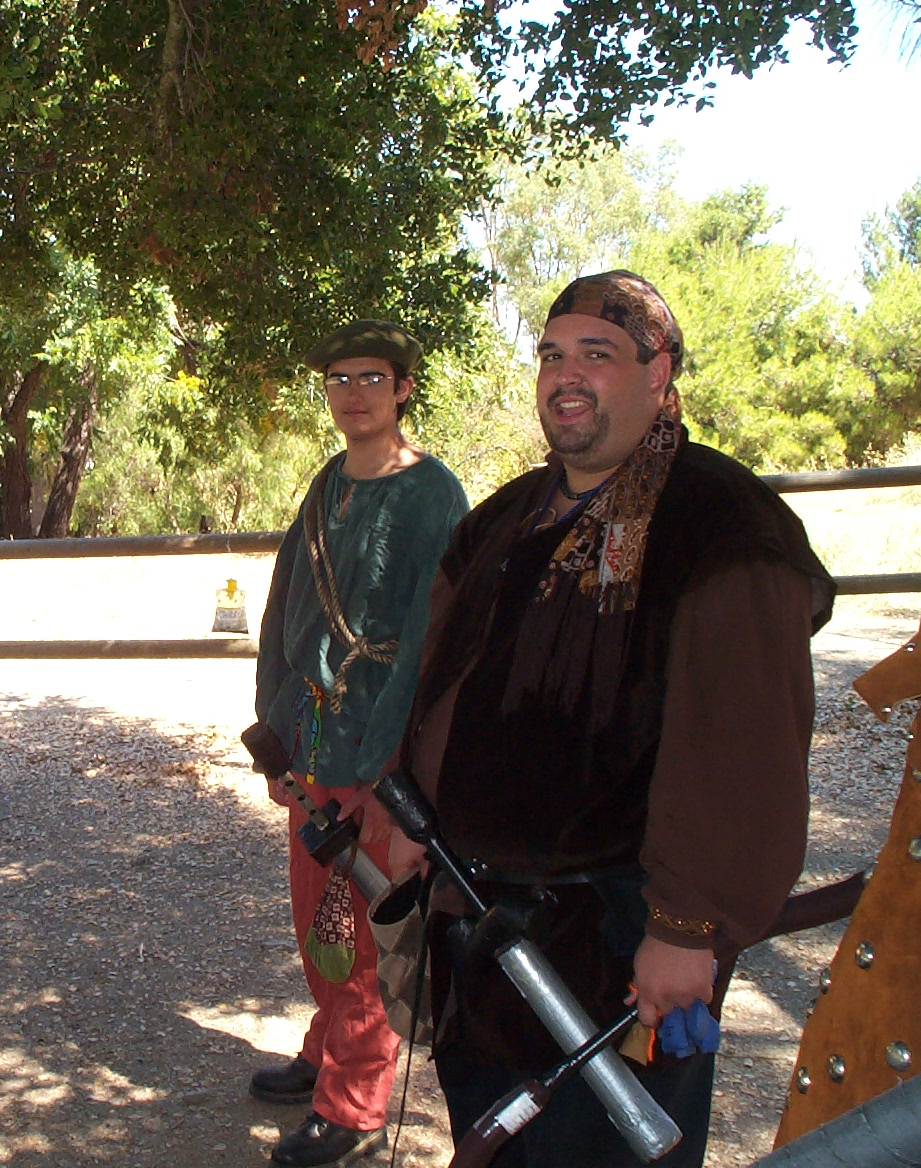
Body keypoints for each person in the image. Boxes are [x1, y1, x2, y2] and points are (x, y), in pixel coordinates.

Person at [388, 271, 834, 1167]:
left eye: (598, 354)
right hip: (481, 920)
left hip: (620, 943)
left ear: (659, 373)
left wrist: (687, 928)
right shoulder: (509, 515)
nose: (567, 375)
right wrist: (409, 815)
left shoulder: (722, 525)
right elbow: (440, 678)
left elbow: (742, 751)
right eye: (553, 355)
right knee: (492, 1140)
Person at [245, 320, 469, 1168]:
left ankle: (355, 1102)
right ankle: (327, 1049)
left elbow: (431, 645)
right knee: (318, 918)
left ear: (403, 388)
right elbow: (286, 609)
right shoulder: (326, 482)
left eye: (371, 377)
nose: (354, 394)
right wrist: (274, 732)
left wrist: (387, 769)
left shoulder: (433, 495)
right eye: (339, 379)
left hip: (378, 752)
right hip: (312, 741)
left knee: (366, 937)